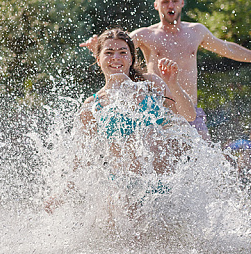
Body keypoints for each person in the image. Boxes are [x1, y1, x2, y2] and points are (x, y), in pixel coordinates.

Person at [47, 29, 196, 215]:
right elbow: (81, 157)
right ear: (98, 58)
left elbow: (189, 115)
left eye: (122, 52)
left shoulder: (151, 84)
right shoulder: (93, 105)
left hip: (164, 183)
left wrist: (173, 83)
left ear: (131, 58)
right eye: (108, 53)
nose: (115, 57)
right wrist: (60, 193)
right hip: (125, 191)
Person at [81, 0, 251, 139]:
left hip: (190, 111)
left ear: (182, 3)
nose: (170, 5)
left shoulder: (196, 32)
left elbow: (227, 48)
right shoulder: (146, 35)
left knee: (208, 162)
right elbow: (117, 54)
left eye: (175, 0)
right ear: (156, 5)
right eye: (165, 1)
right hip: (160, 114)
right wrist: (98, 47)